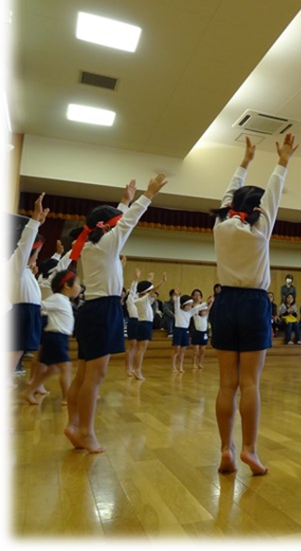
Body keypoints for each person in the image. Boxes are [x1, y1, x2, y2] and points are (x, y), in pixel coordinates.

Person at [210, 132, 297, 476]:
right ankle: (249, 449)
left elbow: (229, 194)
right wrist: (283, 161)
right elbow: (274, 194)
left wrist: (244, 162)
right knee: (249, 384)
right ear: (258, 209)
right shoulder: (260, 228)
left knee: (225, 385)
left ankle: (224, 449)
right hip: (254, 304)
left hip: (225, 302)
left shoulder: (220, 224)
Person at [66, 174, 167, 453]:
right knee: (94, 378)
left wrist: (124, 201)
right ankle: (85, 431)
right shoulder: (106, 245)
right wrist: (148, 195)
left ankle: (74, 425)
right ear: (108, 227)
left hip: (91, 310)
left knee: (83, 374)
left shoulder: (91, 244)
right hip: (103, 310)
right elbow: (127, 224)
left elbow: (117, 224)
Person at [1, 193, 49, 436]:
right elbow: (23, 246)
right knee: (4, 372)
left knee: (8, 371)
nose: (36, 254)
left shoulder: (26, 271)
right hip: (20, 317)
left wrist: (37, 225)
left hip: (29, 316)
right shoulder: (12, 267)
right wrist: (33, 221)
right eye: (35, 250)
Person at [21, 269, 81, 406]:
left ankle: (29, 391)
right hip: (55, 338)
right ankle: (67, 398)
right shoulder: (57, 299)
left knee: (53, 369)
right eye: (78, 283)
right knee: (66, 366)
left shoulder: (63, 300)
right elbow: (39, 306)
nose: (80, 287)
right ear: (67, 285)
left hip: (58, 338)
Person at [132, 272, 167, 380]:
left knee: (141, 349)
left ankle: (136, 369)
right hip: (144, 324)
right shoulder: (142, 300)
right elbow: (152, 290)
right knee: (141, 349)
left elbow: (149, 290)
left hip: (144, 324)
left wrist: (149, 279)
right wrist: (162, 281)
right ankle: (136, 370)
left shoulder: (141, 299)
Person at [172, 288, 207, 373]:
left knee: (183, 350)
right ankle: (173, 366)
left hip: (185, 331)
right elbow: (176, 303)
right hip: (178, 330)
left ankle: (180, 366)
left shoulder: (190, 312)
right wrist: (177, 295)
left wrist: (208, 302)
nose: (190, 306)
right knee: (176, 349)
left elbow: (199, 307)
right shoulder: (178, 311)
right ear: (184, 305)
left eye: (191, 305)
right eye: (188, 305)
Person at [123, 270, 140, 376]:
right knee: (131, 346)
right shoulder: (130, 299)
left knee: (137, 347)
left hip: (140, 322)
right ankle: (127, 367)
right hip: (133, 322)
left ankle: (134, 367)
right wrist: (136, 279)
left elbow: (145, 291)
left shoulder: (140, 299)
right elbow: (133, 290)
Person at [192, 293, 212, 370]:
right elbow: (197, 308)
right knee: (196, 351)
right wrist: (206, 302)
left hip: (204, 333)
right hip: (197, 332)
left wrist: (211, 302)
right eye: (203, 311)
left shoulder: (205, 316)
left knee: (203, 350)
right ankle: (194, 363)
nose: (205, 312)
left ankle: (200, 363)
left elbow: (208, 309)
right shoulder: (196, 313)